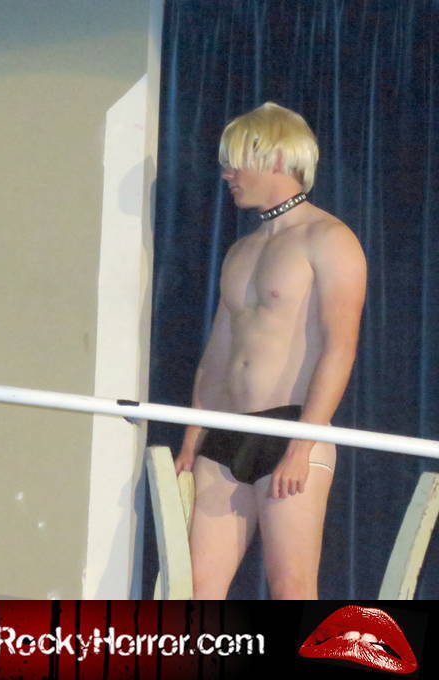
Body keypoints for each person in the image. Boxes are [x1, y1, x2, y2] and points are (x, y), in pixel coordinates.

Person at [173, 102, 367, 599]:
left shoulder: (330, 239)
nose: (226, 174)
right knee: (195, 589)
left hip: (291, 426)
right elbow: (217, 355)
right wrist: (193, 437)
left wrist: (302, 444)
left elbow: (340, 348)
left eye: (236, 162)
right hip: (226, 431)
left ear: (277, 160)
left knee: (291, 587)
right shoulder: (241, 250)